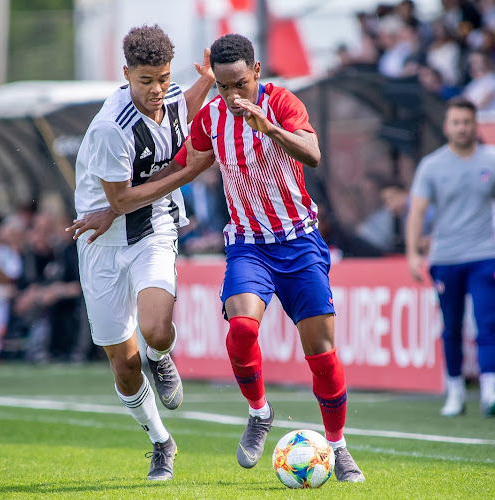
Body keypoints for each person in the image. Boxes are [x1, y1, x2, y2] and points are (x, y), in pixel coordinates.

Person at [173, 33, 365, 482]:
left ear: (256, 72)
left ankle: (337, 447)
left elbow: (314, 154)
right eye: (223, 86)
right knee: (240, 330)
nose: (232, 95)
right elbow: (182, 163)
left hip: (299, 241)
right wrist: (120, 196)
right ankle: (259, 412)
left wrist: (269, 128)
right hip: (248, 244)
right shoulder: (212, 117)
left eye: (239, 83)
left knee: (321, 353)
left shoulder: (282, 103)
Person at [66, 25, 215, 481]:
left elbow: (180, 110)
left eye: (164, 78)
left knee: (156, 330)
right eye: (146, 80)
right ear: (126, 73)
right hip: (102, 246)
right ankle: (160, 442)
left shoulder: (166, 95)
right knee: (123, 366)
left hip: (154, 228)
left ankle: (160, 357)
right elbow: (122, 201)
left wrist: (206, 80)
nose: (157, 90)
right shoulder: (111, 128)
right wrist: (188, 173)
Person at [406, 97, 495, 418]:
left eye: (467, 122)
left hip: (485, 254)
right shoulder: (432, 165)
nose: (462, 128)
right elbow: (417, 212)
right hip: (445, 258)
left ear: (476, 126)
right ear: (447, 127)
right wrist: (411, 254)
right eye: (456, 122)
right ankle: (456, 391)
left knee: (486, 323)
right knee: (451, 327)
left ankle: (490, 392)